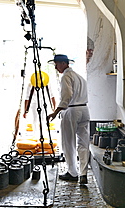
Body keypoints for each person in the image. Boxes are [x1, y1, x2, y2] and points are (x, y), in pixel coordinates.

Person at [47, 54, 90, 185]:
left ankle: (72, 172)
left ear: (64, 64)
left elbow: (67, 96)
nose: (55, 67)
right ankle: (83, 173)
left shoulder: (66, 76)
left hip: (71, 110)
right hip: (84, 109)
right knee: (83, 143)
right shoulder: (80, 77)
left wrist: (55, 112)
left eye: (57, 64)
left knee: (68, 143)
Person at [23, 72, 56, 139]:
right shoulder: (31, 85)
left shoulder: (47, 84)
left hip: (44, 103)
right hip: (34, 103)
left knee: (43, 119)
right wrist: (25, 110)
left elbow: (52, 96)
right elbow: (27, 98)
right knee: (35, 119)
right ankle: (35, 134)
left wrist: (54, 108)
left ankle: (43, 134)